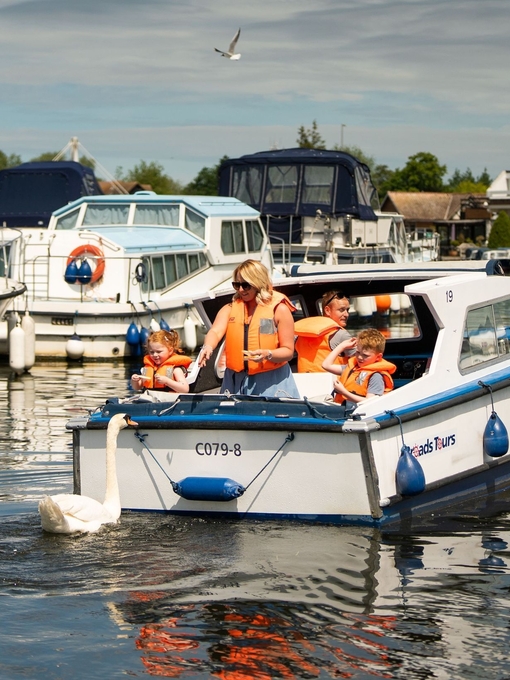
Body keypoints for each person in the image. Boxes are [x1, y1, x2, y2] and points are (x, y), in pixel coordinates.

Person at [199, 259, 299, 398]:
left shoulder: (279, 310)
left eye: (245, 285)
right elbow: (215, 331)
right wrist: (208, 347)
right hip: (235, 380)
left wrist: (268, 354)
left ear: (258, 283)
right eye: (236, 285)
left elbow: (288, 351)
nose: (240, 290)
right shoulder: (229, 309)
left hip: (271, 380)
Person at [322, 328, 396, 409]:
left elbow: (370, 402)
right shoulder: (353, 367)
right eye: (357, 352)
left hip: (358, 414)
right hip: (341, 409)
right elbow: (326, 365)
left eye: (365, 355)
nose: (360, 357)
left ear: (378, 357)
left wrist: (343, 392)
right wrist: (342, 346)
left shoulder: (376, 376)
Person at [294, 289, 354, 372]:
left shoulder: (300, 334)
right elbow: (363, 361)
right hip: (333, 384)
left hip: (305, 383)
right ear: (327, 310)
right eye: (341, 310)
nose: (346, 314)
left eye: (347, 310)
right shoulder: (341, 335)